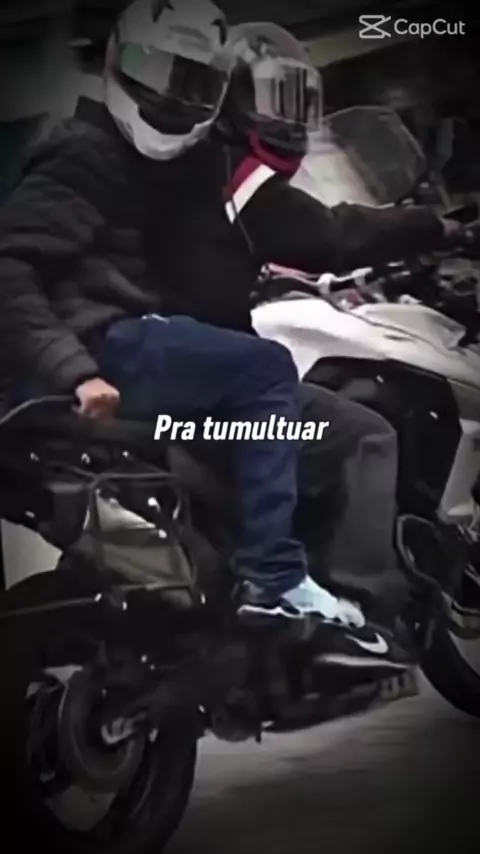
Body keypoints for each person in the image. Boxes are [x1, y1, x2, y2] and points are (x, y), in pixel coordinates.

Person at [0, 0, 372, 653]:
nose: (173, 100)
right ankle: (275, 576)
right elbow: (9, 268)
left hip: (106, 339)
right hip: (100, 342)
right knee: (266, 369)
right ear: (116, 62)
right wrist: (75, 370)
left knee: (250, 402)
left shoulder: (139, 158)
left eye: (194, 84)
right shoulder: (85, 152)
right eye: (161, 74)